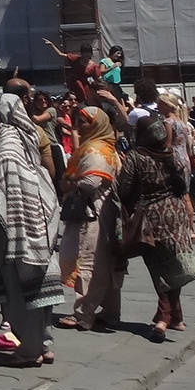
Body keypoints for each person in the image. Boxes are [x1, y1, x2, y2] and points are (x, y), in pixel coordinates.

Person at [0, 92, 64, 368]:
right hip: (41, 218)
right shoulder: (29, 133)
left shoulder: (6, 138)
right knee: (40, 288)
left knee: (18, 291)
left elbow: (6, 181)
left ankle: (30, 350)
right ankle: (43, 343)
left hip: (18, 224)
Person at [117, 115, 195, 342]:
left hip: (152, 218)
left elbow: (124, 189)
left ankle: (163, 318)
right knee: (175, 263)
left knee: (159, 268)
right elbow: (182, 185)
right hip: (177, 213)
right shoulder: (171, 155)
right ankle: (176, 316)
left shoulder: (136, 157)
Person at [54, 106, 123, 333]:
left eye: (84, 122)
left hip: (92, 211)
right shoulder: (104, 147)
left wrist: (71, 180)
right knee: (104, 262)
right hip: (102, 210)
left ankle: (83, 314)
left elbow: (90, 183)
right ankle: (111, 312)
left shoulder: (96, 150)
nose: (79, 127)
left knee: (88, 260)